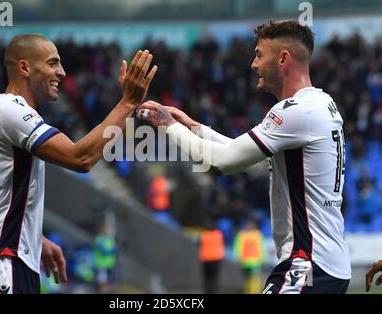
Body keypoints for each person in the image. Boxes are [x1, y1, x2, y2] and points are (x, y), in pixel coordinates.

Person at [138, 20, 351, 294]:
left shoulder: (295, 111)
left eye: (260, 54)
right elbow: (255, 161)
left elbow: (221, 162)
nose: (254, 64)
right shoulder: (321, 104)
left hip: (308, 263)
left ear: (283, 58)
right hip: (328, 264)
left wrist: (167, 124)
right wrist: (195, 127)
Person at [0, 33, 157, 294]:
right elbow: (81, 158)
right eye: (52, 63)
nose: (62, 72)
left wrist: (35, 239)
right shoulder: (10, 110)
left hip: (1, 255)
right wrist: (128, 103)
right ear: (25, 67)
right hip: (3, 259)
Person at [233, 217, 267, 294]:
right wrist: (238, 257)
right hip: (244, 262)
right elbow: (237, 246)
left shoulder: (258, 234)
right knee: (246, 279)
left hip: (255, 261)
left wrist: (263, 258)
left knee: (254, 279)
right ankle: (247, 291)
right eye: (248, 224)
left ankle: (254, 292)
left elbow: (261, 247)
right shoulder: (241, 235)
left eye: (251, 224)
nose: (249, 225)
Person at [198, 222, 225, 294]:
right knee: (215, 278)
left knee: (207, 278)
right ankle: (214, 291)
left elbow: (199, 244)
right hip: (216, 259)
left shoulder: (204, 234)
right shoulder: (218, 234)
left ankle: (207, 291)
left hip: (206, 259)